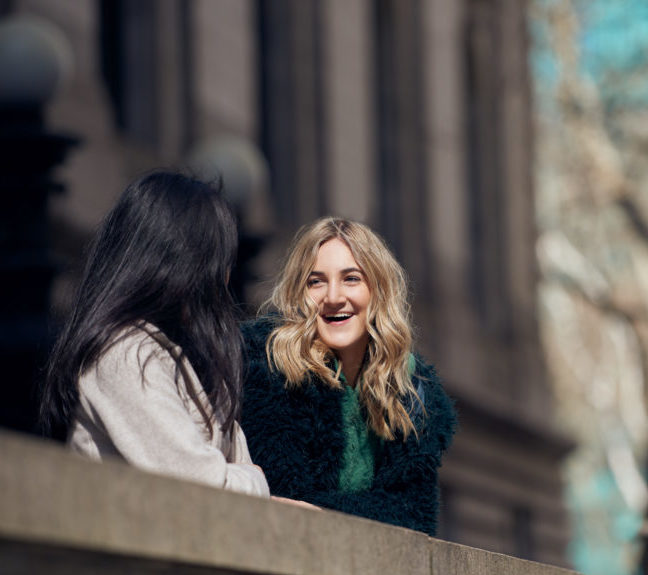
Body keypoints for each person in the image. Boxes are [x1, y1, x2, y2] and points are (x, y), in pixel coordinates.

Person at [40, 171, 269, 497]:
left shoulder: (195, 359)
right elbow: (203, 486)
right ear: (184, 263)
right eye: (219, 261)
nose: (225, 277)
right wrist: (254, 479)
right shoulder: (124, 353)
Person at [241, 217, 456, 535]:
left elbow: (415, 514)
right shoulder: (272, 365)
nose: (332, 296)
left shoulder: (413, 387)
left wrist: (324, 510)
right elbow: (284, 500)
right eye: (315, 282)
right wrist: (368, 510)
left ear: (377, 290)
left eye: (351, 279)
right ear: (300, 293)